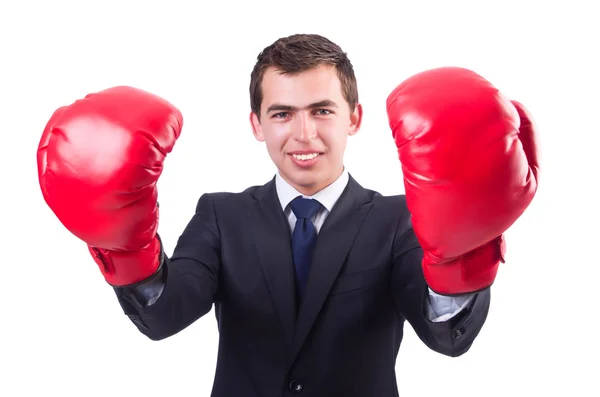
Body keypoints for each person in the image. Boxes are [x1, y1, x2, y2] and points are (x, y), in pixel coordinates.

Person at [37, 34, 540, 396]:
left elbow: (445, 337)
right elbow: (163, 316)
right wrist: (125, 249)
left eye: (322, 110)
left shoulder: (400, 219)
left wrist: (463, 254)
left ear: (354, 118)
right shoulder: (221, 214)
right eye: (282, 114)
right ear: (256, 124)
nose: (304, 135)